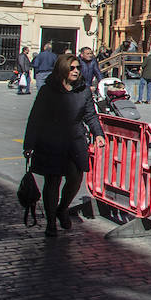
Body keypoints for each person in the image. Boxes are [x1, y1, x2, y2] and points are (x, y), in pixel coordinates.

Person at [23, 53, 106, 236]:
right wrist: (29, 144)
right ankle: (51, 221)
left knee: (75, 179)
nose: (76, 71)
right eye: (72, 68)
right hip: (51, 141)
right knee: (52, 181)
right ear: (62, 69)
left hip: (75, 141)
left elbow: (90, 115)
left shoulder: (83, 90)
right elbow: (35, 118)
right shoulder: (47, 90)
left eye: (78, 68)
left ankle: (62, 208)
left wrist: (98, 133)